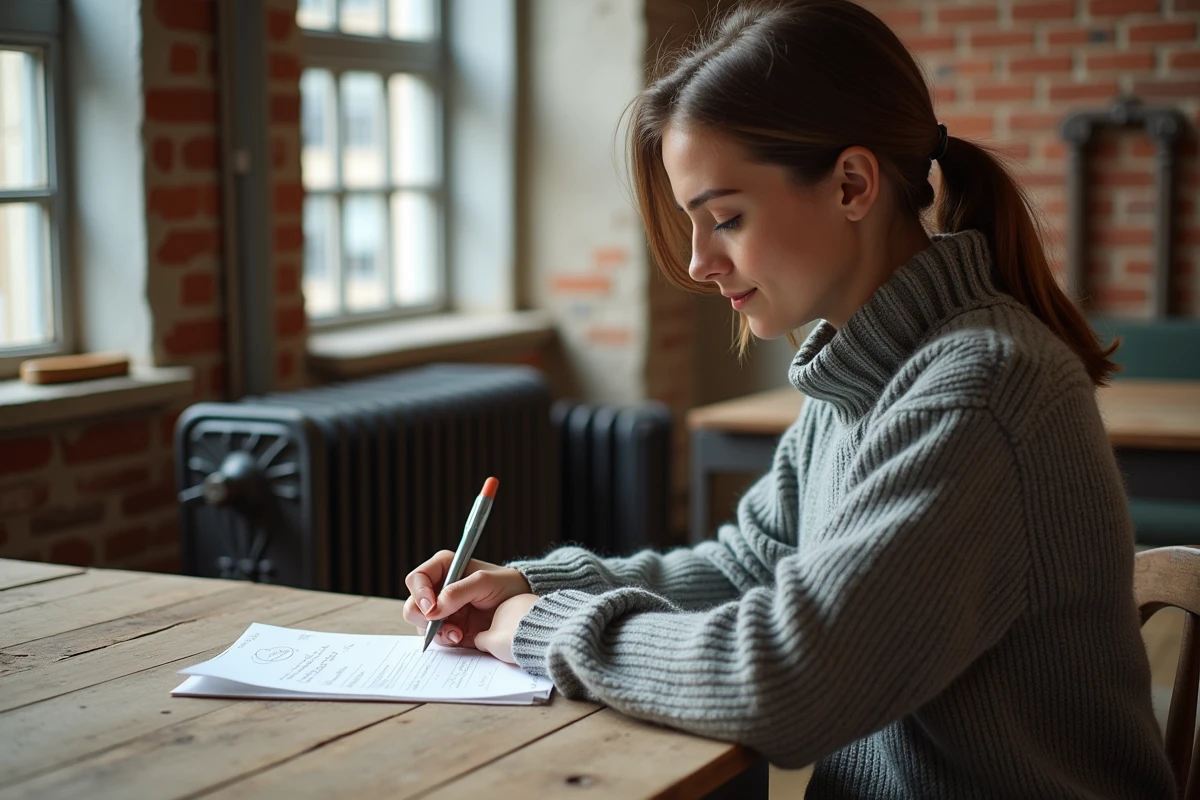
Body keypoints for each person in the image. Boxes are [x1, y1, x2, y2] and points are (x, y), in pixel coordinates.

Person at [403, 0, 1175, 796]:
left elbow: (789, 683)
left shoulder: (980, 391)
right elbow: (751, 565)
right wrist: (539, 586)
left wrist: (545, 630)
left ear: (851, 184)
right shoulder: (860, 379)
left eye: (726, 218)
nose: (701, 262)